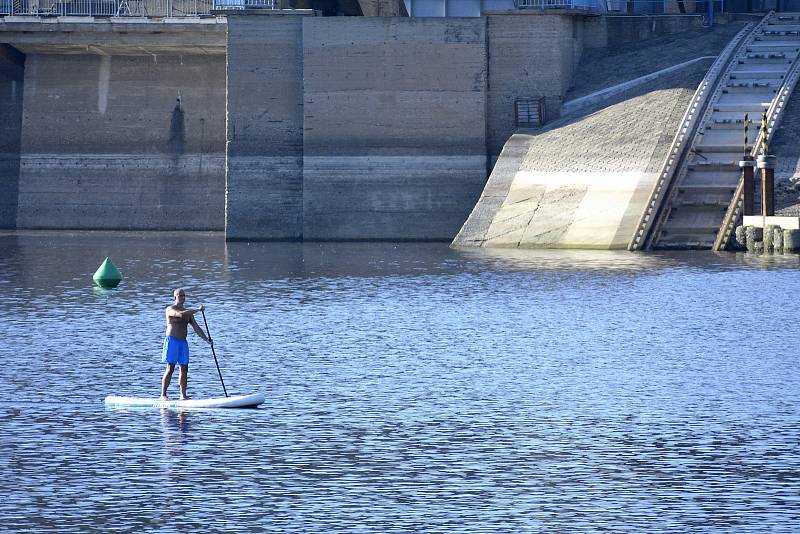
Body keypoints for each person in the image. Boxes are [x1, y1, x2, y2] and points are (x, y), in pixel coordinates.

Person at [160, 288, 212, 400]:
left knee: (184, 369)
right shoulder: (170, 309)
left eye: (184, 296)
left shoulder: (188, 313)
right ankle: (163, 395)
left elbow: (197, 328)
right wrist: (197, 310)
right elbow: (179, 314)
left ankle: (183, 396)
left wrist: (207, 340)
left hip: (183, 343)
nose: (182, 298)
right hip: (172, 341)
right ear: (175, 297)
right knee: (170, 368)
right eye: (180, 296)